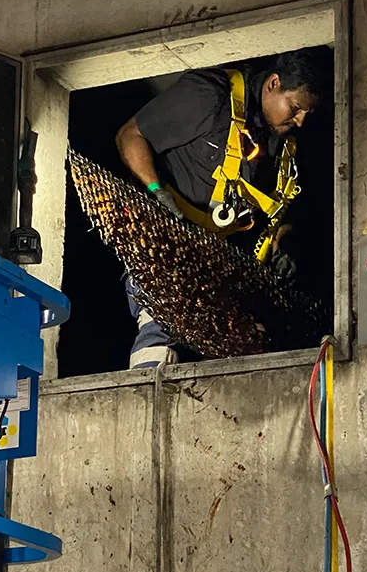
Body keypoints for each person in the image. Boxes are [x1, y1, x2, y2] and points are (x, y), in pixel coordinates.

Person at [115, 47, 334, 369]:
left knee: (242, 341)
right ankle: (145, 398)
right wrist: (155, 191)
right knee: (162, 325)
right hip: (165, 246)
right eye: (295, 107)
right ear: (273, 83)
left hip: (221, 262)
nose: (299, 120)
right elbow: (130, 136)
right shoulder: (208, 96)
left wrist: (283, 245)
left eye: (307, 114)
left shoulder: (281, 140)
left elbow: (285, 206)